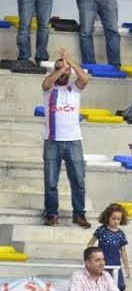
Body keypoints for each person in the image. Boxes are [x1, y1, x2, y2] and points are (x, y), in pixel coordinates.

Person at [41, 50, 90, 228]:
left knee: (78, 179)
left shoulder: (75, 87)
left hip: (73, 141)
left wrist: (70, 62)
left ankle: (79, 214)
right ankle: (51, 213)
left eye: (66, 70)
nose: (63, 72)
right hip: (52, 141)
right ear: (54, 70)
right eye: (58, 69)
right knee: (51, 181)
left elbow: (85, 78)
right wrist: (62, 68)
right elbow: (46, 82)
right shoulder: (49, 88)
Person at [88, 203, 130, 291]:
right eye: (113, 218)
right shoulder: (101, 230)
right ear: (107, 217)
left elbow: (123, 251)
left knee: (118, 287)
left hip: (115, 265)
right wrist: (90, 259)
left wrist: (127, 267)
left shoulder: (120, 234)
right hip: (101, 265)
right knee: (102, 288)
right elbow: (90, 244)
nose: (116, 221)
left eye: (119, 219)